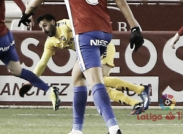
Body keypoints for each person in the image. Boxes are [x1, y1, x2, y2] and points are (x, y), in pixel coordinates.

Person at [18, 0, 144, 134]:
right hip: (105, 32)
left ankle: (113, 128)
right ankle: (77, 130)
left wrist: (27, 12)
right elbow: (119, 0)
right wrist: (135, 27)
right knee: (77, 77)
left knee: (95, 81)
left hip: (85, 32)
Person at [18, 14, 151, 116]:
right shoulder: (51, 42)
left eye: (45, 25)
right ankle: (136, 103)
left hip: (100, 46)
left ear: (53, 22)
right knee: (99, 86)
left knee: (99, 82)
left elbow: (80, 25)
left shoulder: (65, 25)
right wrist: (31, 82)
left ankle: (140, 89)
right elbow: (42, 63)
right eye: (41, 27)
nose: (43, 29)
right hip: (88, 52)